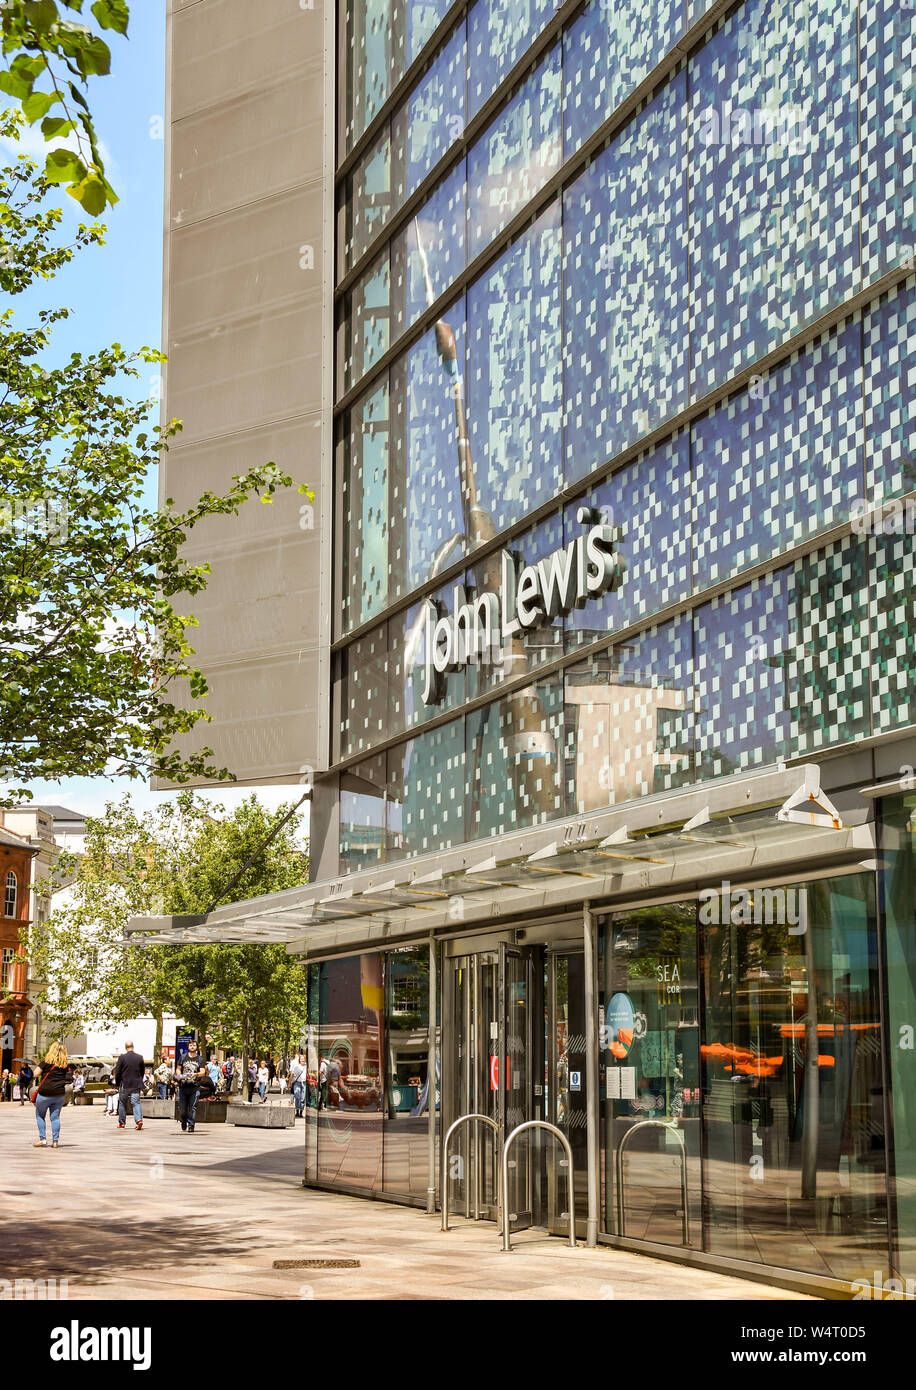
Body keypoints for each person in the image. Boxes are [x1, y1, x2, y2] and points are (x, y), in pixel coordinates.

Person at [33, 1042, 72, 1148]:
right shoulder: (65, 1064)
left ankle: (43, 1139)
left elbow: (35, 1074)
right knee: (55, 1118)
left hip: (44, 1093)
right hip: (59, 1094)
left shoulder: (46, 1061)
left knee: (40, 1115)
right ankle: (55, 1141)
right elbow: (69, 1078)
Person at [113, 1040, 145, 1131]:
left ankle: (122, 1123)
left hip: (125, 1084)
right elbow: (142, 1071)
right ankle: (138, 1120)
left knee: (122, 1103)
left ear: (125, 1047)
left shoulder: (122, 1058)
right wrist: (139, 1079)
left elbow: (118, 1072)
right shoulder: (139, 1057)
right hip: (135, 1084)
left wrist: (117, 1084)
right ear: (133, 1046)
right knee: (136, 1103)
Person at [175, 1040, 206, 1133]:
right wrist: (179, 1075)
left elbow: (203, 1072)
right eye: (190, 1045)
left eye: (194, 1045)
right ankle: (183, 1120)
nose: (192, 1046)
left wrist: (196, 1074)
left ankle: (191, 1125)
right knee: (182, 1109)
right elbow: (178, 1069)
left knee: (193, 1107)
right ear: (188, 1047)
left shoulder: (200, 1059)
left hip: (194, 1086)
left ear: (197, 1047)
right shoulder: (183, 1057)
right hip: (183, 1086)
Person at [290, 1051, 306, 1118]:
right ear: (299, 1060)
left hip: (304, 1084)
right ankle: (297, 1111)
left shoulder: (307, 1067)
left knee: (303, 1098)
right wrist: (289, 1083)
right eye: (301, 1059)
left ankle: (301, 1112)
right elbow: (292, 1075)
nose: (302, 1060)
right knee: (297, 1097)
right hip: (297, 1083)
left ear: (305, 1060)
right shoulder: (297, 1067)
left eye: (303, 1059)